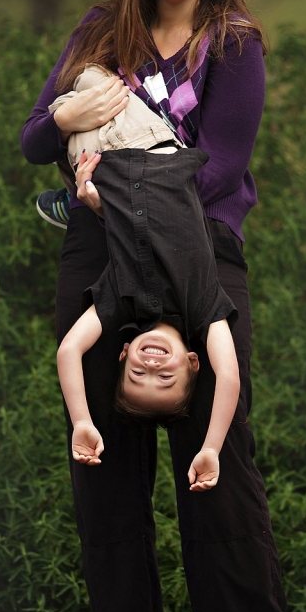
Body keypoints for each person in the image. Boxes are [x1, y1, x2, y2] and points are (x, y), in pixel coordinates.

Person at [20, 0, 306, 612]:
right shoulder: (100, 31)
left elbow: (219, 167)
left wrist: (118, 191)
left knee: (219, 450)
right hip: (98, 250)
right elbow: (34, 138)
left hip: (200, 250)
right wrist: (69, 122)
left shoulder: (234, 44)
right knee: (102, 454)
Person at [55, 140, 241, 490]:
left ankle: (64, 199)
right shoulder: (204, 308)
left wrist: (81, 421)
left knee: (54, 121)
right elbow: (229, 375)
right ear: (193, 362)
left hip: (107, 154)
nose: (152, 367)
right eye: (166, 378)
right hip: (159, 148)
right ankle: (62, 200)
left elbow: (69, 350)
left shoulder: (118, 302)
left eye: (137, 374)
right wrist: (211, 448)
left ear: (124, 353)